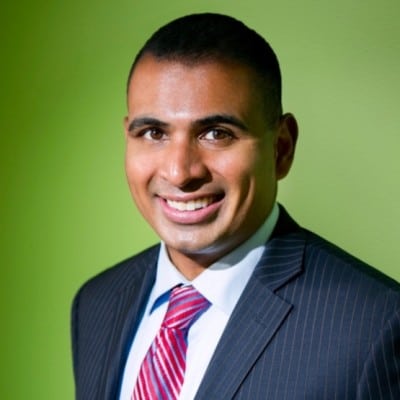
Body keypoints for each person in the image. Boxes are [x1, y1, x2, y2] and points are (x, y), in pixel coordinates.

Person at [71, 13, 400, 400]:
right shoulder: (96, 304)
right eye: (154, 133)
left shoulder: (375, 326)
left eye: (216, 133)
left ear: (281, 148)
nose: (180, 172)